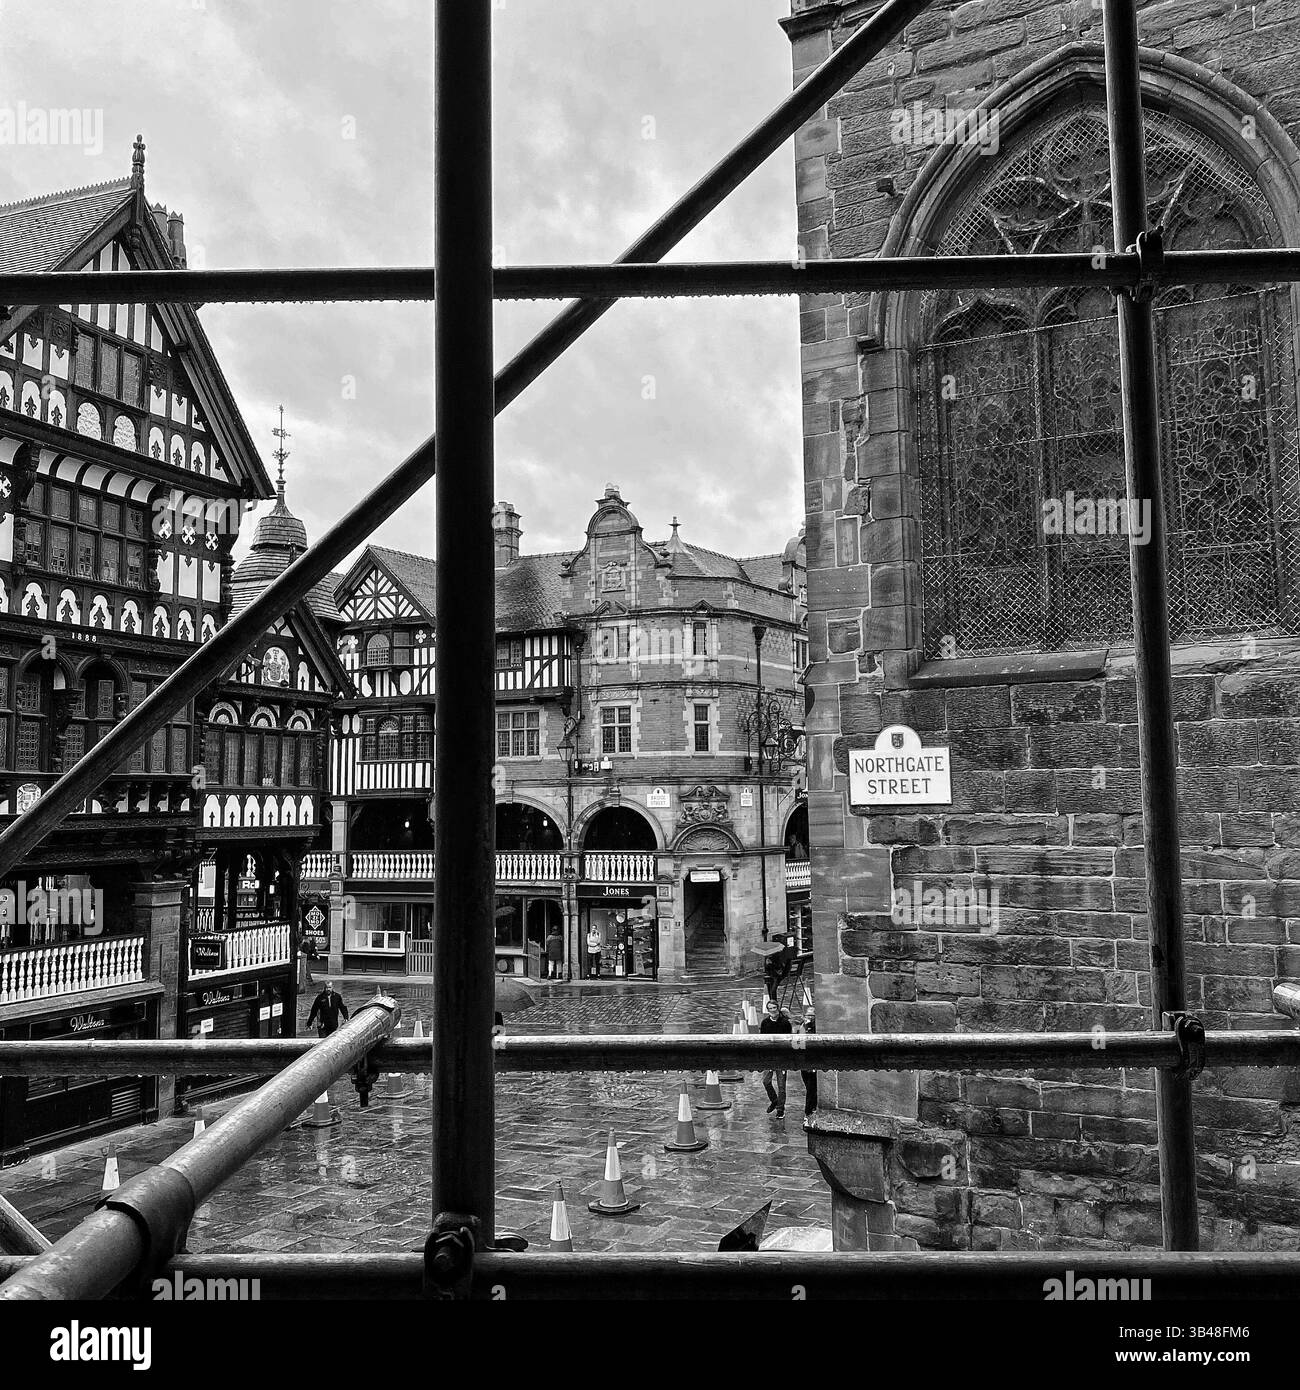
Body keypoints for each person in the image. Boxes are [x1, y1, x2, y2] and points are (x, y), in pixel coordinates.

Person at [759, 997, 791, 1118]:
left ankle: (780, 1109)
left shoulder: (785, 1023)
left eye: (774, 1008)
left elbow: (789, 1040)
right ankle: (775, 1101)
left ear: (778, 1008)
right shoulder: (765, 1023)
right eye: (770, 1008)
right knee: (766, 1081)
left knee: (781, 1086)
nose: (773, 1010)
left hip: (782, 1058)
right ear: (768, 1010)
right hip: (769, 1058)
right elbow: (762, 1040)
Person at [799, 1006, 817, 1117]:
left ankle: (809, 1111)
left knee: (811, 1088)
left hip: (815, 1063)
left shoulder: (818, 1028)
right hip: (804, 1063)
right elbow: (797, 1045)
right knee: (808, 1087)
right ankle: (812, 1107)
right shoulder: (802, 1027)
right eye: (808, 1015)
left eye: (812, 1015)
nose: (809, 1017)